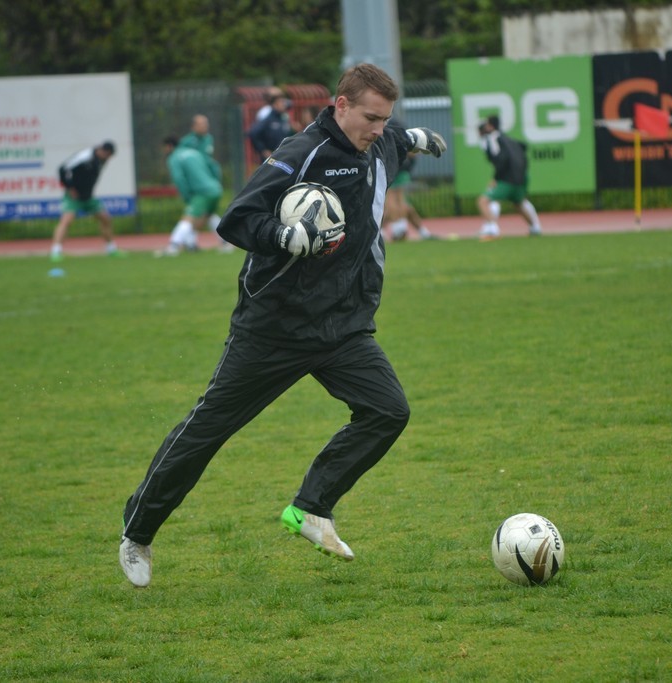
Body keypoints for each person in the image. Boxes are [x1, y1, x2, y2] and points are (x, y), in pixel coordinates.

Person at [119, 63, 446, 587]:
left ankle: (311, 507)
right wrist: (284, 236)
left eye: (386, 119)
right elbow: (236, 219)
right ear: (341, 105)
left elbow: (396, 138)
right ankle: (137, 532)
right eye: (371, 118)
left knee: (388, 410)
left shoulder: (380, 142)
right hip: (275, 327)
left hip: (342, 325)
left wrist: (417, 137)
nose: (379, 129)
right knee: (208, 429)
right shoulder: (302, 153)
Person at [157, 135, 229, 255]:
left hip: (202, 191)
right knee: (208, 215)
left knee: (188, 218)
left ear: (169, 146)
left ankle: (173, 246)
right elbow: (214, 166)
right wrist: (216, 182)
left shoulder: (174, 157)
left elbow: (179, 178)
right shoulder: (195, 152)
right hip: (215, 188)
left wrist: (186, 196)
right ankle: (223, 243)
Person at [51, 141, 121, 261]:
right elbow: (62, 168)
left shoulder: (101, 160)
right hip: (73, 197)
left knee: (106, 219)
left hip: (88, 197)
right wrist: (70, 187)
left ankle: (111, 249)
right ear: (103, 150)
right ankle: (56, 251)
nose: (108, 158)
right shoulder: (85, 156)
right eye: (108, 155)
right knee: (66, 221)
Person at [476, 116, 541, 239]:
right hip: (522, 177)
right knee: (519, 203)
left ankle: (492, 229)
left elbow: (501, 160)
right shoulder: (508, 139)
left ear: (490, 126)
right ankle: (535, 228)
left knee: (483, 201)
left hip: (507, 178)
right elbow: (524, 146)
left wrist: (496, 178)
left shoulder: (493, 139)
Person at [383, 147, 434, 241]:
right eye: (415, 150)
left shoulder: (410, 161)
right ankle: (393, 231)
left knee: (407, 208)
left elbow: (400, 187)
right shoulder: (395, 157)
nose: (417, 153)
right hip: (386, 180)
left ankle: (424, 233)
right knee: (391, 207)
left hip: (396, 179)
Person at [247, 89, 293, 163]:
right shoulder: (268, 118)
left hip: (283, 156)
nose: (284, 104)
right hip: (271, 159)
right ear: (275, 104)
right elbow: (254, 133)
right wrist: (263, 150)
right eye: (281, 102)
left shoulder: (283, 118)